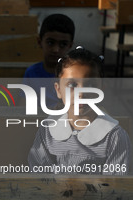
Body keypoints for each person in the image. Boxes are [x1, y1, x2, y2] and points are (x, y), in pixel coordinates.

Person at [28, 47, 132, 175]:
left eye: (91, 85)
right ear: (58, 90)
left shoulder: (115, 137)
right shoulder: (48, 129)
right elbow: (39, 176)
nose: (81, 93)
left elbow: (114, 187)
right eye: (72, 85)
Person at [22, 14, 75, 108]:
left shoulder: (74, 75)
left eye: (63, 44)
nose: (56, 50)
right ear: (39, 42)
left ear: (70, 46)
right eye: (50, 42)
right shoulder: (31, 73)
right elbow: (24, 106)